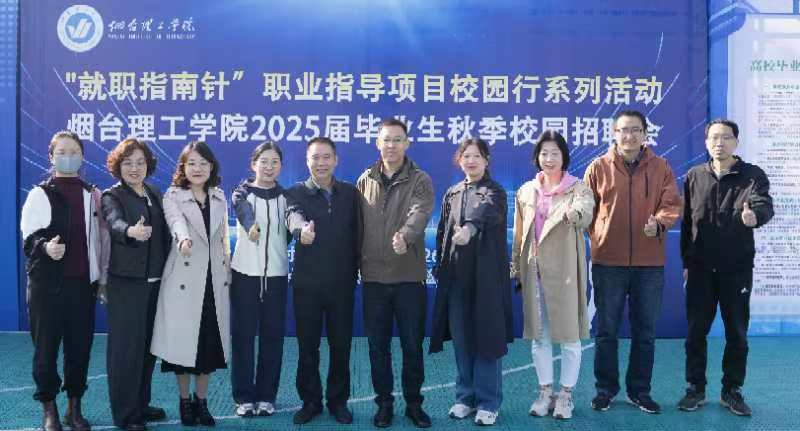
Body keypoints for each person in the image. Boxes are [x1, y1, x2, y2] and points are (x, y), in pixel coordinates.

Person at [584, 110, 681, 414]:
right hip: (608, 262)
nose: (629, 136)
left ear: (644, 134)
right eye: (623, 130)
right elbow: (586, 208)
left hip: (649, 263)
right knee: (606, 330)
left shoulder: (661, 166)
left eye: (635, 130)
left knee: (645, 332)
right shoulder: (598, 167)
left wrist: (659, 224)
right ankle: (605, 389)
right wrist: (600, 234)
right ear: (614, 133)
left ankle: (640, 391)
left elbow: (671, 204)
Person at [678, 119, 773, 416]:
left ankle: (731, 390)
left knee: (736, 332)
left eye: (726, 138)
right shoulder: (694, 176)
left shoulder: (752, 175)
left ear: (736, 142)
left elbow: (764, 204)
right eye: (714, 138)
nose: (719, 143)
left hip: (736, 268)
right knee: (696, 332)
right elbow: (687, 224)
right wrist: (686, 262)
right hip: (700, 269)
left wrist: (754, 217)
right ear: (706, 143)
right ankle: (695, 388)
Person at [20, 130, 110, 431]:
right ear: (51, 156)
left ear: (82, 157)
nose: (68, 157)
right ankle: (49, 409)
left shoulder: (92, 195)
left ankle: (74, 408)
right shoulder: (40, 194)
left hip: (82, 287)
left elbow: (102, 239)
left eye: (73, 152)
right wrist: (46, 247)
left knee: (79, 350)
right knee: (45, 351)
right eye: (61, 152)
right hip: (47, 288)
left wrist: (101, 278)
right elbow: (29, 239)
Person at [356, 119, 434, 428]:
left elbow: (420, 212)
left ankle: (414, 404)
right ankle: (384, 404)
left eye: (397, 140)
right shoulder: (364, 180)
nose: (391, 145)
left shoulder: (420, 179)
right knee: (378, 348)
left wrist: (406, 236)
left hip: (408, 279)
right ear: (378, 143)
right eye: (386, 140)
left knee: (412, 346)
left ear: (407, 143)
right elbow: (357, 227)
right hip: (374, 280)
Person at [430, 138, 514, 427]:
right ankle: (465, 398)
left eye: (477, 156)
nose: (471, 161)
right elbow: (442, 232)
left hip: (486, 280)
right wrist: (440, 265)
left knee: (486, 339)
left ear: (486, 160)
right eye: (466, 156)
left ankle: (489, 402)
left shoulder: (495, 191)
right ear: (459, 160)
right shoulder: (452, 193)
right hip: (456, 279)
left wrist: (469, 228)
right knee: (462, 340)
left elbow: (486, 212)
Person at [511, 131, 595, 420]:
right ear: (537, 157)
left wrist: (575, 214)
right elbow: (519, 235)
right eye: (544, 153)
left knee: (569, 337)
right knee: (540, 336)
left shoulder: (578, 188)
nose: (548, 159)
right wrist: (516, 269)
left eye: (554, 153)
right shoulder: (526, 191)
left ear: (564, 157)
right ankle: (545, 392)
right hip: (534, 272)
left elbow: (586, 211)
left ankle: (566, 395)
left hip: (565, 274)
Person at [150, 141, 231, 427]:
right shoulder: (173, 195)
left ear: (212, 167)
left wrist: (227, 267)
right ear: (183, 168)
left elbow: (223, 237)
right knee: (182, 348)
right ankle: (185, 401)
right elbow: (175, 222)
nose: (198, 169)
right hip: (183, 282)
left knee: (209, 346)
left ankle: (202, 402)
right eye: (192, 163)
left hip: (213, 281)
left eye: (203, 163)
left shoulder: (219, 196)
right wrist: (183, 239)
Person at [285, 137, 361, 425]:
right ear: (307, 161)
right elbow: (292, 216)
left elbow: (359, 233)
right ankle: (310, 402)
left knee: (341, 347)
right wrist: (301, 230)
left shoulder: (350, 194)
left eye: (326, 157)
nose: (321, 163)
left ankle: (338, 402)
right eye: (315, 158)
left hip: (341, 285)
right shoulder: (295, 193)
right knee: (308, 348)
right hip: (307, 286)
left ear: (336, 160)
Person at [101, 138, 169, 430]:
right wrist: (130, 231)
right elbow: (114, 222)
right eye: (128, 163)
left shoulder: (154, 192)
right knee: (126, 352)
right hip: (127, 284)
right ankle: (125, 414)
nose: (135, 168)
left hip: (156, 283)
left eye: (140, 162)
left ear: (148, 165)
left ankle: (140, 404)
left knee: (147, 348)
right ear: (118, 166)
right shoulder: (112, 195)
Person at [229, 142, 290, 417]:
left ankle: (267, 396)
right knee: (243, 338)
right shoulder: (242, 193)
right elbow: (243, 210)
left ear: (281, 166)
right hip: (245, 276)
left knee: (272, 338)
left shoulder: (287, 197)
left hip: (276, 277)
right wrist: (250, 226)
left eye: (274, 162)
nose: (269, 167)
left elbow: (292, 226)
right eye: (263, 161)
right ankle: (243, 397)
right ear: (253, 164)